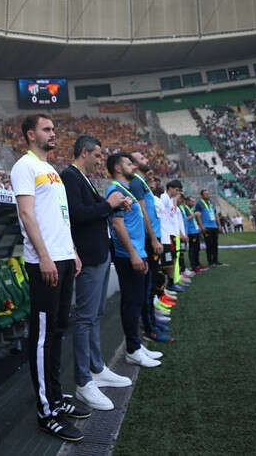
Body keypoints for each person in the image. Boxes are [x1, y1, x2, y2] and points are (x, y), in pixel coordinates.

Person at [11, 114, 90, 443]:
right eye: (47, 129)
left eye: (53, 129)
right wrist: (44, 256)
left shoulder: (51, 170)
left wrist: (71, 251)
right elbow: (26, 214)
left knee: (57, 332)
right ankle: (47, 411)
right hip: (44, 262)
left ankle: (56, 398)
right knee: (43, 337)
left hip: (63, 258)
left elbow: (60, 217)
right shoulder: (24, 166)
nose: (53, 133)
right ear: (31, 134)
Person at [59, 135, 131, 412]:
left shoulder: (83, 178)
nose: (100, 160)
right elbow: (76, 214)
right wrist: (109, 204)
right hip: (89, 257)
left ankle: (96, 367)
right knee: (85, 319)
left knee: (94, 315)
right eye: (98, 155)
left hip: (99, 254)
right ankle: (83, 380)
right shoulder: (70, 176)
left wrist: (115, 204)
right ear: (85, 152)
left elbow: (95, 209)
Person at [106, 154, 163, 368]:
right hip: (127, 255)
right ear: (118, 168)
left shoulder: (126, 190)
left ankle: (136, 345)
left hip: (136, 252)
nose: (134, 166)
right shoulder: (116, 191)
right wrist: (133, 254)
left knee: (137, 300)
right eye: (129, 164)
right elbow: (118, 225)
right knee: (131, 301)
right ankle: (132, 349)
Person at [126, 151, 166, 343]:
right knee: (148, 287)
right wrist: (153, 239)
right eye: (141, 158)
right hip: (149, 240)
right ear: (134, 164)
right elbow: (143, 212)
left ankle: (153, 324)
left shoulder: (141, 182)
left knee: (151, 285)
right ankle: (150, 328)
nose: (146, 160)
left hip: (153, 237)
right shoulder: (136, 182)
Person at [195, 189, 221, 267]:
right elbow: (198, 216)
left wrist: (219, 225)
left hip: (214, 226)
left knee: (215, 244)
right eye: (206, 194)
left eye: (208, 194)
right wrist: (201, 226)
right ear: (202, 195)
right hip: (206, 227)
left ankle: (216, 260)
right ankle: (210, 261)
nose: (208, 195)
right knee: (209, 244)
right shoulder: (199, 204)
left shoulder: (211, 203)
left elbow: (216, 215)